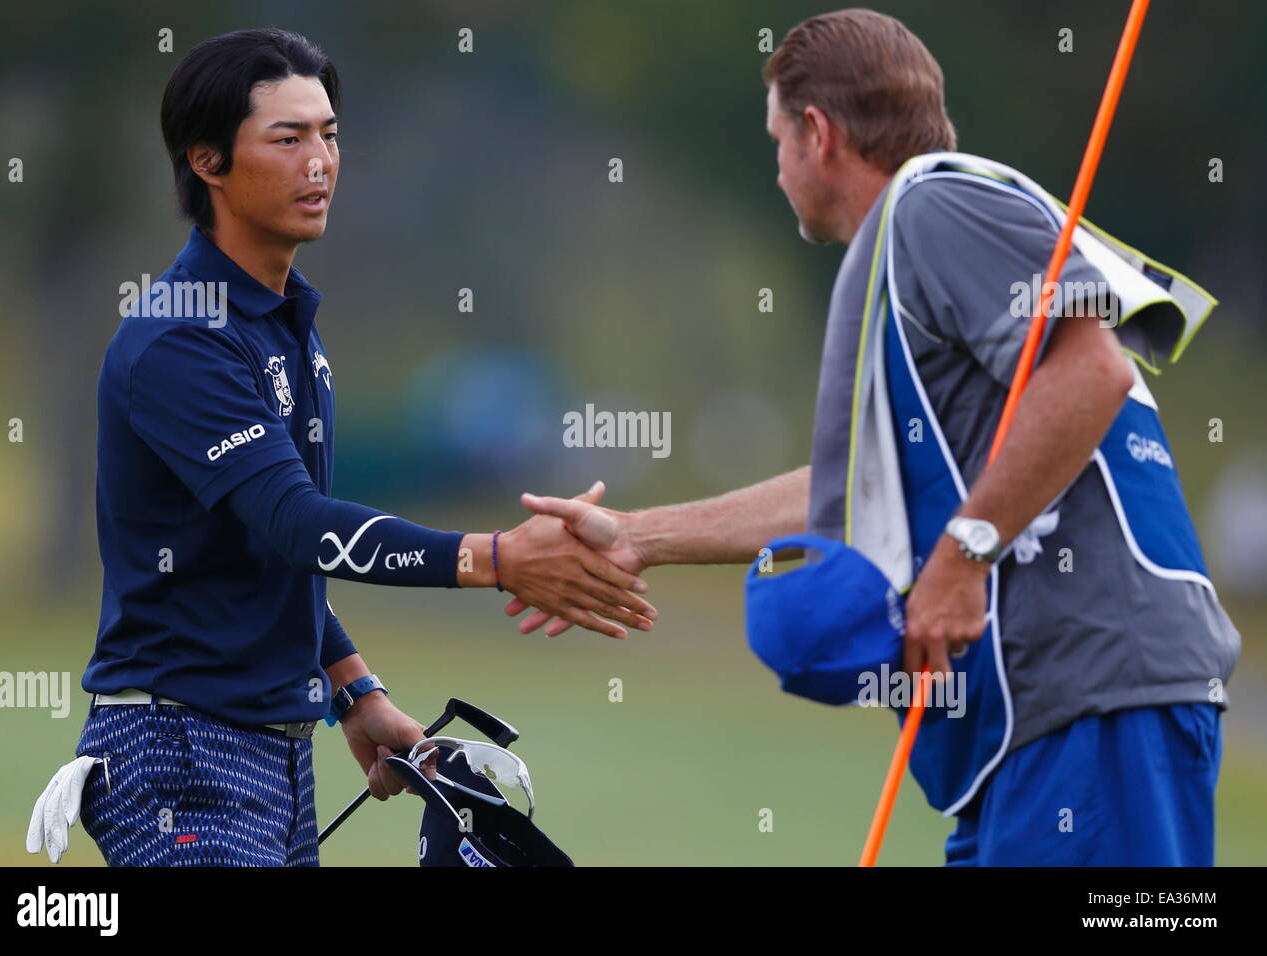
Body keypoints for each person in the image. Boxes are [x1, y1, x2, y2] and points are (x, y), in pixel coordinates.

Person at [507, 9, 1241, 865]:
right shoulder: (915, 237)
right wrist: (639, 538)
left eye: (777, 141)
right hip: (1027, 732)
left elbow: (1093, 372)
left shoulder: (934, 205)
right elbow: (853, 489)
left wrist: (962, 555)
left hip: (1094, 701)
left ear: (818, 134)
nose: (778, 171)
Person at [26, 28, 655, 867]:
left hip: (271, 747)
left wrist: (354, 688)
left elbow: (265, 552)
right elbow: (300, 524)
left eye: (329, 135)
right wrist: (496, 557)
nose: (319, 161)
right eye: (287, 139)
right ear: (207, 161)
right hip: (180, 752)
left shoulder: (284, 324)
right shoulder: (180, 338)